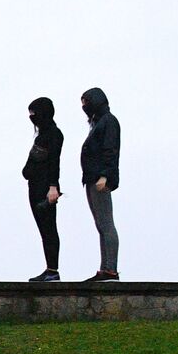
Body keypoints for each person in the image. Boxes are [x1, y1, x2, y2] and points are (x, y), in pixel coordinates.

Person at [80, 87, 121, 281]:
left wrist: (105, 176)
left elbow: (110, 150)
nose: (84, 107)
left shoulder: (108, 122)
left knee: (106, 223)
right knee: (101, 224)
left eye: (85, 102)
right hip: (92, 178)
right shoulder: (99, 122)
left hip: (99, 179)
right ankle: (105, 267)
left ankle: (110, 268)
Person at [22, 98, 65, 282]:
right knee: (45, 230)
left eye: (34, 113)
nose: (31, 117)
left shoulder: (53, 134)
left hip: (44, 189)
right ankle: (50, 269)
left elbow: (54, 162)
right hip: (36, 187)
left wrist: (53, 187)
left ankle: (52, 270)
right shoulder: (44, 134)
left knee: (48, 229)